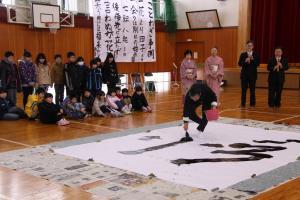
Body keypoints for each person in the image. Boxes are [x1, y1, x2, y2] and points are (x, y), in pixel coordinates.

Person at [238, 40, 260, 108]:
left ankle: (252, 104)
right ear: (246, 46)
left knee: (252, 90)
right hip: (244, 75)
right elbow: (239, 64)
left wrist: (253, 59)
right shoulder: (243, 54)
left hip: (253, 75)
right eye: (248, 45)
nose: (249, 47)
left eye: (250, 45)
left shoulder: (256, 54)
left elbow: (258, 64)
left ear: (253, 46)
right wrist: (245, 61)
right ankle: (243, 103)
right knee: (243, 90)